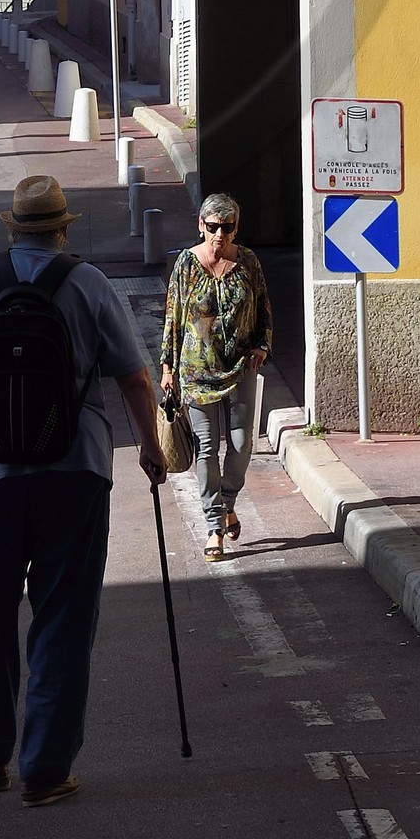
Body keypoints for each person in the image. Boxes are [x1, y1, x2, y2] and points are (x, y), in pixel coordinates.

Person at [0, 175, 167, 807]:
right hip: (74, 470)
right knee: (63, 615)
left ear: (13, 229)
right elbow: (134, 379)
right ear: (64, 228)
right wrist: (149, 444)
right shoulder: (88, 284)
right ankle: (46, 768)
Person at [159, 191, 272, 563]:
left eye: (227, 227)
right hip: (196, 371)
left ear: (236, 228)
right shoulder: (187, 265)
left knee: (241, 446)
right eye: (212, 227)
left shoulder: (249, 262)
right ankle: (214, 526)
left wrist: (262, 346)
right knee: (207, 448)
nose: (219, 235)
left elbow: (263, 308)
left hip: (241, 368)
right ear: (201, 226)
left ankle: (227, 502)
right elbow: (173, 316)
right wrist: (167, 367)